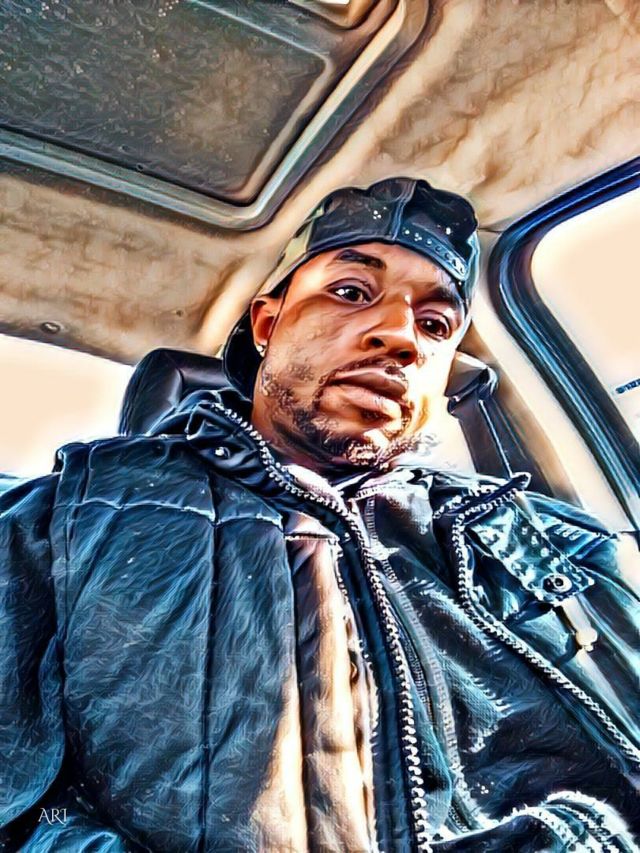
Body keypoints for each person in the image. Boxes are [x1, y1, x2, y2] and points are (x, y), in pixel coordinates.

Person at [1, 178, 638, 853]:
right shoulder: (72, 517)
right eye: (352, 292)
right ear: (267, 324)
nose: (399, 336)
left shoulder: (547, 539)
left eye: (434, 325)